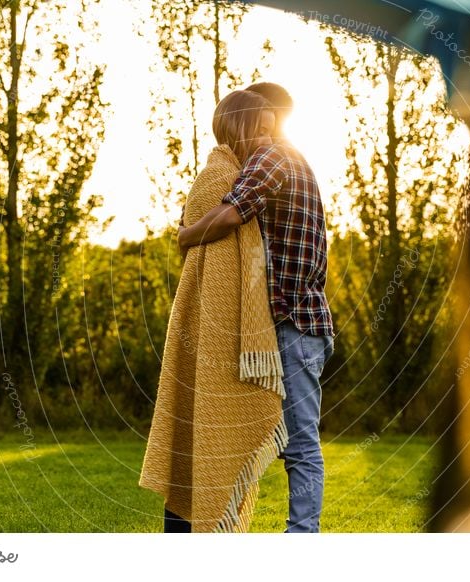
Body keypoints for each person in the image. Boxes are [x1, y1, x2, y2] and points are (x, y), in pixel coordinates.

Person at [178, 82, 335, 533]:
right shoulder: (296, 158)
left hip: (294, 325)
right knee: (289, 439)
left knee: (300, 442)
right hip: (301, 325)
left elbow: (232, 212)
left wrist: (187, 235)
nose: (262, 136)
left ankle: (302, 537)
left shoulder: (273, 157)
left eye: (269, 126)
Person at [139, 90, 289, 533]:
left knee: (207, 448)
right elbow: (219, 272)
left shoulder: (239, 178)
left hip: (224, 341)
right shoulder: (217, 178)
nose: (267, 136)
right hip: (212, 337)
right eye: (259, 127)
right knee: (194, 447)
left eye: (272, 128)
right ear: (236, 126)